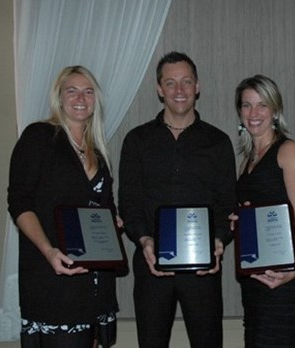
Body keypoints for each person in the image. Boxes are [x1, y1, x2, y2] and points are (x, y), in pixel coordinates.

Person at [118, 51, 236, 348]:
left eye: (186, 82)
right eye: (170, 83)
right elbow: (128, 203)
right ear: (159, 89)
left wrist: (219, 240)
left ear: (197, 86)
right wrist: (144, 241)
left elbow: (227, 204)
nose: (179, 91)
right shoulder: (137, 140)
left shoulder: (218, 142)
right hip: (152, 264)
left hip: (203, 267)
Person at [7, 66, 120, 348]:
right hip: (54, 279)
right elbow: (19, 201)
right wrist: (48, 250)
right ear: (59, 97)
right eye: (72, 90)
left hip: (96, 285)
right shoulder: (39, 137)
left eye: (88, 91)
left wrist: (112, 223)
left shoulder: (97, 150)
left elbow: (104, 206)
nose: (81, 97)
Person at [233, 75, 295, 347]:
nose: (253, 113)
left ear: (275, 110)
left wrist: (292, 269)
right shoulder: (248, 160)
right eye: (246, 105)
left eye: (262, 105)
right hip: (255, 280)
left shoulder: (288, 151)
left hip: (284, 282)